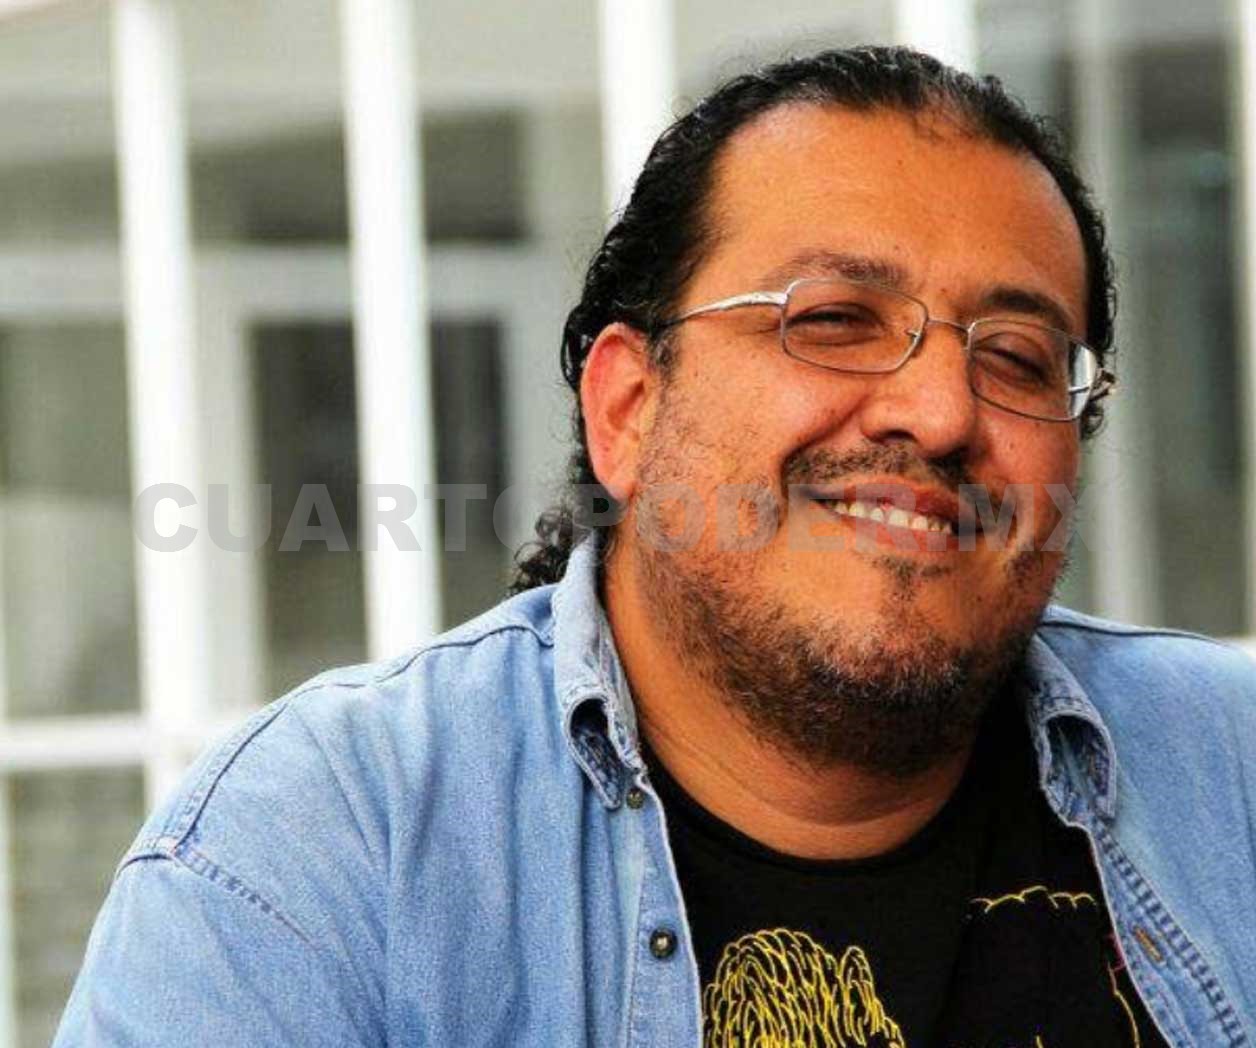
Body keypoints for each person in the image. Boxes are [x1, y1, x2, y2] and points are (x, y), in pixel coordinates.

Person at [55, 46, 1255, 1048]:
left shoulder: (1231, 772)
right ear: (628, 408)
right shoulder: (322, 855)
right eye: (834, 319)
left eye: (1016, 357)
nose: (941, 412)